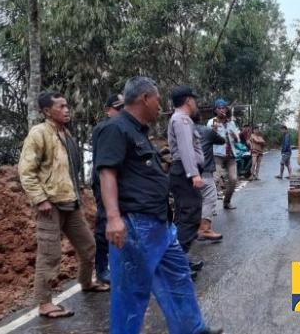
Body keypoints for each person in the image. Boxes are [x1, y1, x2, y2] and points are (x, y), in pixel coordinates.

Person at [95, 77, 222, 334]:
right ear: (145, 98)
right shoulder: (114, 128)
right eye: (157, 99)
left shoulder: (138, 131)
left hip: (158, 224)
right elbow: (106, 173)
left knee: (178, 277)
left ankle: (192, 329)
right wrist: (113, 218)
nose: (159, 105)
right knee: (130, 293)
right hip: (134, 224)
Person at [18, 90, 109, 319]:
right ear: (47, 111)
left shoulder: (65, 133)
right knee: (50, 255)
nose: (67, 109)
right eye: (61, 106)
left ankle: (87, 282)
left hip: (70, 201)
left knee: (88, 246)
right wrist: (40, 199)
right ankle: (45, 304)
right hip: (50, 205)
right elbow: (26, 172)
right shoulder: (39, 133)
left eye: (67, 105)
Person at [167, 85, 207, 275]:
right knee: (190, 216)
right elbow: (186, 149)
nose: (195, 103)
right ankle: (176, 264)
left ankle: (179, 260)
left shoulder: (181, 119)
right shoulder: (182, 120)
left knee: (184, 216)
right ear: (188, 100)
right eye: (194, 99)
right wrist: (194, 174)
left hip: (183, 172)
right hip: (185, 173)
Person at [91, 93, 124, 284]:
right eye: (117, 109)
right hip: (104, 182)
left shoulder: (125, 127)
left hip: (120, 183)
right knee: (105, 222)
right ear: (108, 110)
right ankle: (102, 268)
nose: (120, 113)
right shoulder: (104, 128)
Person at [193, 111, 224, 241]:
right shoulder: (206, 131)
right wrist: (215, 130)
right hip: (204, 171)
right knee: (210, 197)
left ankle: (192, 230)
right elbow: (221, 141)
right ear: (200, 118)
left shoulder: (183, 130)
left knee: (193, 201)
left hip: (185, 171)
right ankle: (204, 229)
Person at [207, 99, 240, 210]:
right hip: (217, 155)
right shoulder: (211, 122)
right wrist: (214, 131)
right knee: (215, 180)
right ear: (215, 110)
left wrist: (235, 136)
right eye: (219, 108)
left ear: (226, 109)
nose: (221, 110)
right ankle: (210, 207)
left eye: (223, 108)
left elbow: (238, 140)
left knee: (233, 179)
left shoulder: (231, 122)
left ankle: (227, 202)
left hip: (231, 155)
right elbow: (207, 139)